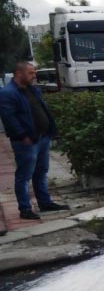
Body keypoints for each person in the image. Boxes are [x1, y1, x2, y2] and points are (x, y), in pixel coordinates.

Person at [0, 62, 70, 220]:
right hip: (27, 140)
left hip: (42, 137)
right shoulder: (8, 93)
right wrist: (22, 135)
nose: (34, 76)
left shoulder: (32, 89)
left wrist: (51, 129)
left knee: (41, 171)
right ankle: (25, 208)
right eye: (31, 73)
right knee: (24, 175)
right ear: (19, 73)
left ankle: (44, 202)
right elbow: (9, 118)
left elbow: (42, 109)